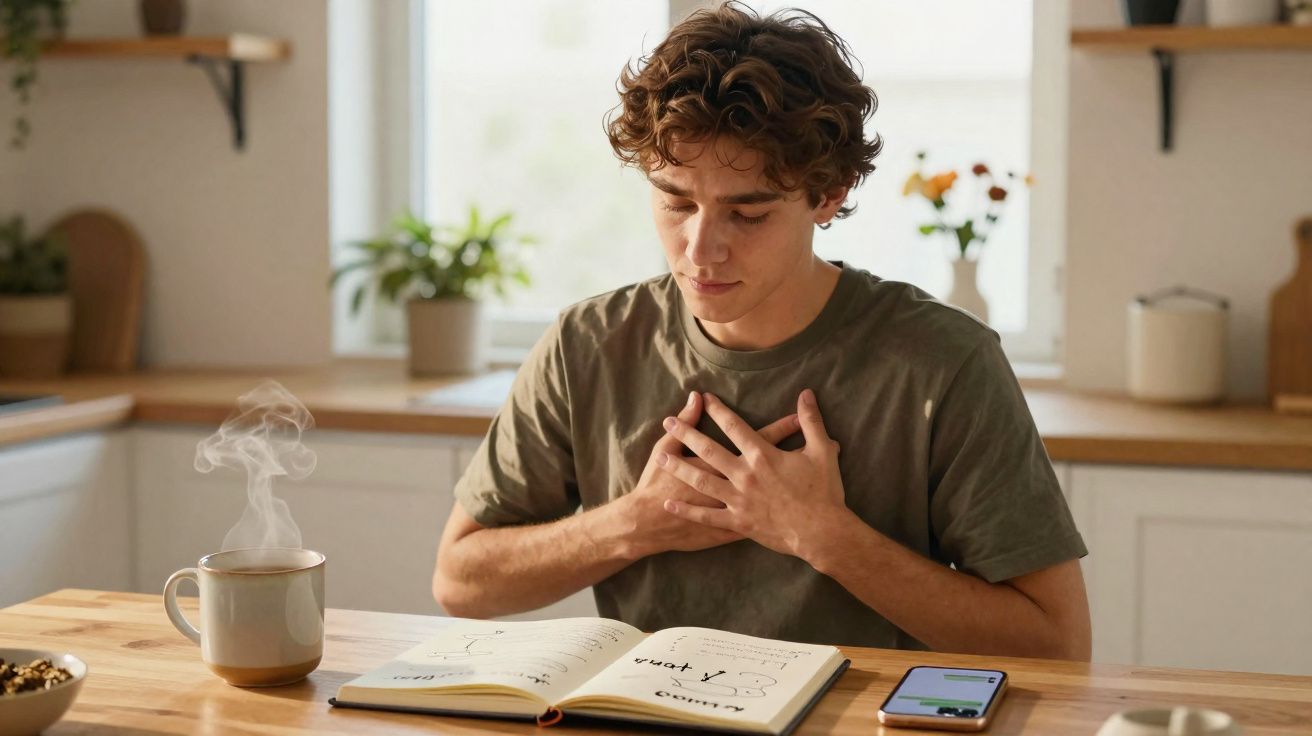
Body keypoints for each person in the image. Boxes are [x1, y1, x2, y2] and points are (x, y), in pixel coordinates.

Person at [432, 1, 1091, 660]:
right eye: (675, 202)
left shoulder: (945, 361)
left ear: (829, 194)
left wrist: (826, 537)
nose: (700, 251)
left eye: (747, 214)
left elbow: (1057, 644)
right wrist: (637, 523)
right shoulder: (588, 345)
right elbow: (459, 581)